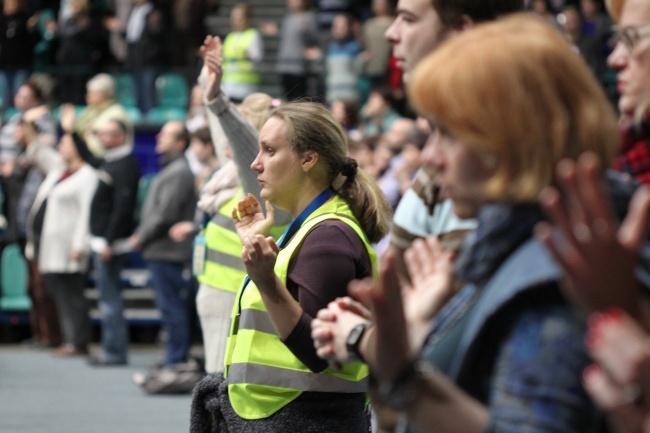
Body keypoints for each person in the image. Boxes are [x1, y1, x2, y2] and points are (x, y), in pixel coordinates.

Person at [315, 13, 624, 432]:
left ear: (508, 140)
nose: (431, 156)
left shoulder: (553, 284)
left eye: (449, 133)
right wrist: (421, 330)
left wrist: (402, 372)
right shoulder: (520, 248)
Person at [190, 101, 392, 432]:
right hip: (284, 416)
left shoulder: (329, 237)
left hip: (304, 420)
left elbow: (317, 352)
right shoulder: (308, 227)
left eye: (269, 151)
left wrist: (266, 281)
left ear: (308, 159)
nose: (255, 164)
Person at [26, 104, 98, 357]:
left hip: (70, 246)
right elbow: (37, 150)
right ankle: (67, 339)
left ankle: (78, 342)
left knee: (73, 296)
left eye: (65, 144)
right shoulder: (59, 171)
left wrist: (80, 244)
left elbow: (87, 213)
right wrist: (29, 123)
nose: (61, 147)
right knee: (60, 296)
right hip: (50, 245)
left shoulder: (88, 175)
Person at [129, 120, 196, 368]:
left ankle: (176, 358)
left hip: (168, 252)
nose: (158, 137)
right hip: (162, 250)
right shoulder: (172, 169)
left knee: (172, 308)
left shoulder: (179, 172)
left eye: (166, 135)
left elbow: (164, 214)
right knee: (169, 308)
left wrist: (141, 236)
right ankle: (173, 355)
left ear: (180, 143)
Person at [82, 118, 141, 366]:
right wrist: (74, 134)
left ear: (121, 136)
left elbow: (123, 208)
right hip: (104, 242)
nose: (101, 139)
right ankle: (111, 349)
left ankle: (114, 353)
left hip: (111, 244)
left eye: (107, 134)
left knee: (110, 300)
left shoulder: (125, 164)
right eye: (100, 134)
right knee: (108, 299)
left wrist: (108, 241)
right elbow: (91, 159)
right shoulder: (112, 160)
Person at [74, 73, 132, 157]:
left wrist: (91, 133)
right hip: (90, 158)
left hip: (110, 160)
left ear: (101, 95)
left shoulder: (117, 112)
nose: (87, 96)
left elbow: (106, 142)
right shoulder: (92, 110)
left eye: (91, 93)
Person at [221, 3, 263, 103]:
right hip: (228, 85)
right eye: (233, 16)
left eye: (239, 16)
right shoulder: (230, 36)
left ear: (247, 18)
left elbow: (256, 59)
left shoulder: (253, 35)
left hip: (245, 87)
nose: (235, 19)